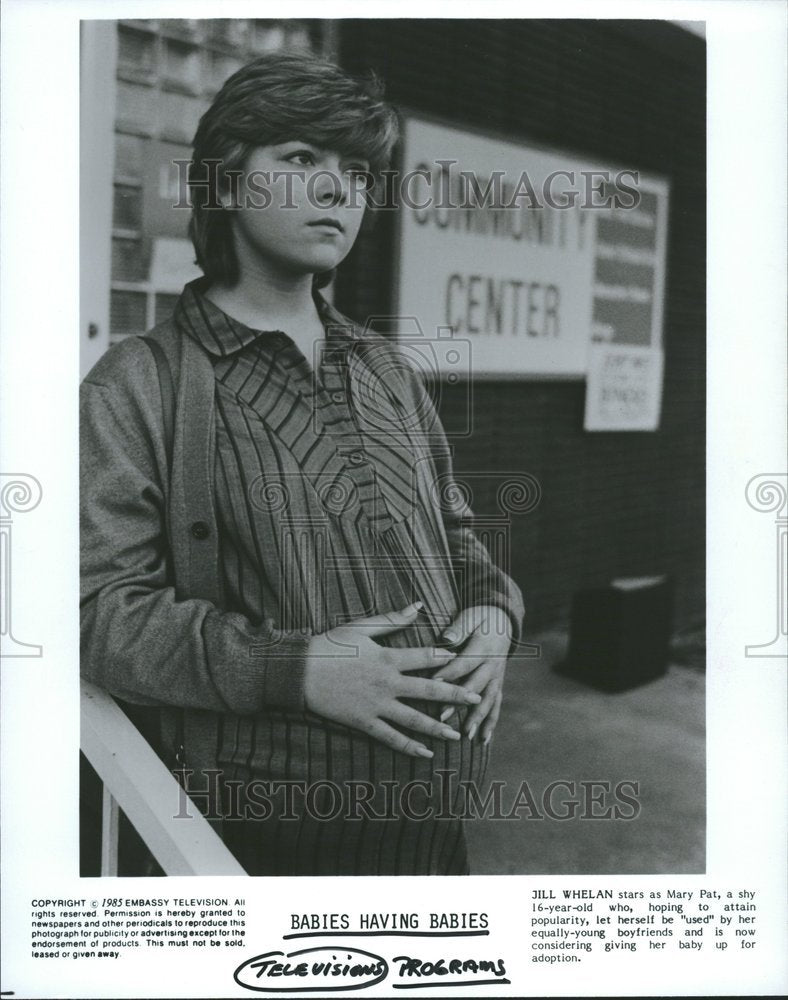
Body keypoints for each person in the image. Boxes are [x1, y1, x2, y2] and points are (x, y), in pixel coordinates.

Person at [80, 50, 525, 875]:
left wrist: (496, 617)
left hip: (436, 841)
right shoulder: (140, 384)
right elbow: (92, 614)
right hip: (264, 850)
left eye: (356, 172)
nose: (337, 189)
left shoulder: (388, 368)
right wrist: (299, 671)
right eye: (300, 159)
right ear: (223, 181)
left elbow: (458, 537)